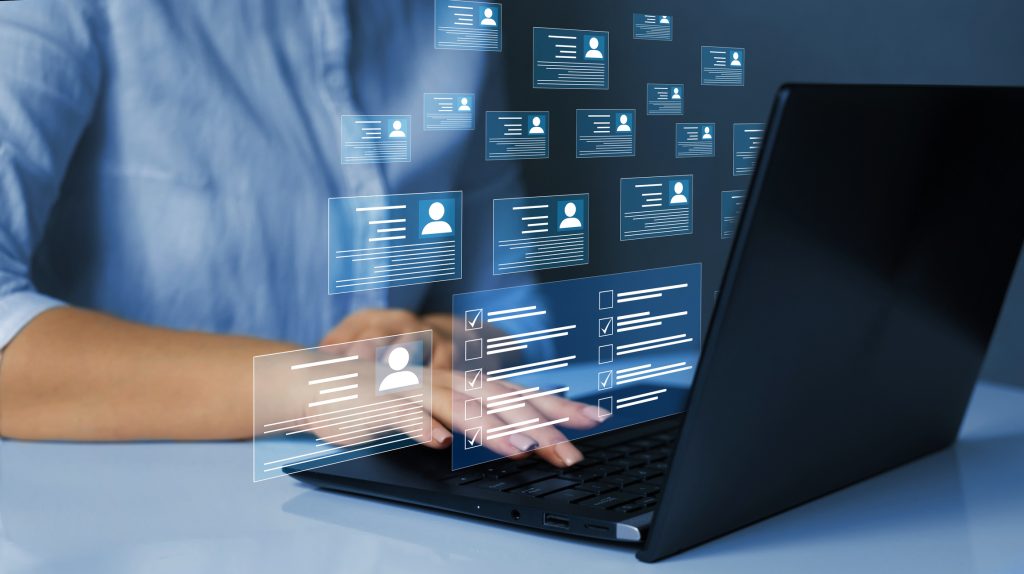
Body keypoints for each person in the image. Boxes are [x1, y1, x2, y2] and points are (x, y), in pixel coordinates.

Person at [0, 1, 592, 469]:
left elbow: (515, 318)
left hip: (387, 513)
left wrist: (443, 342)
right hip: (125, 518)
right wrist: (318, 386)